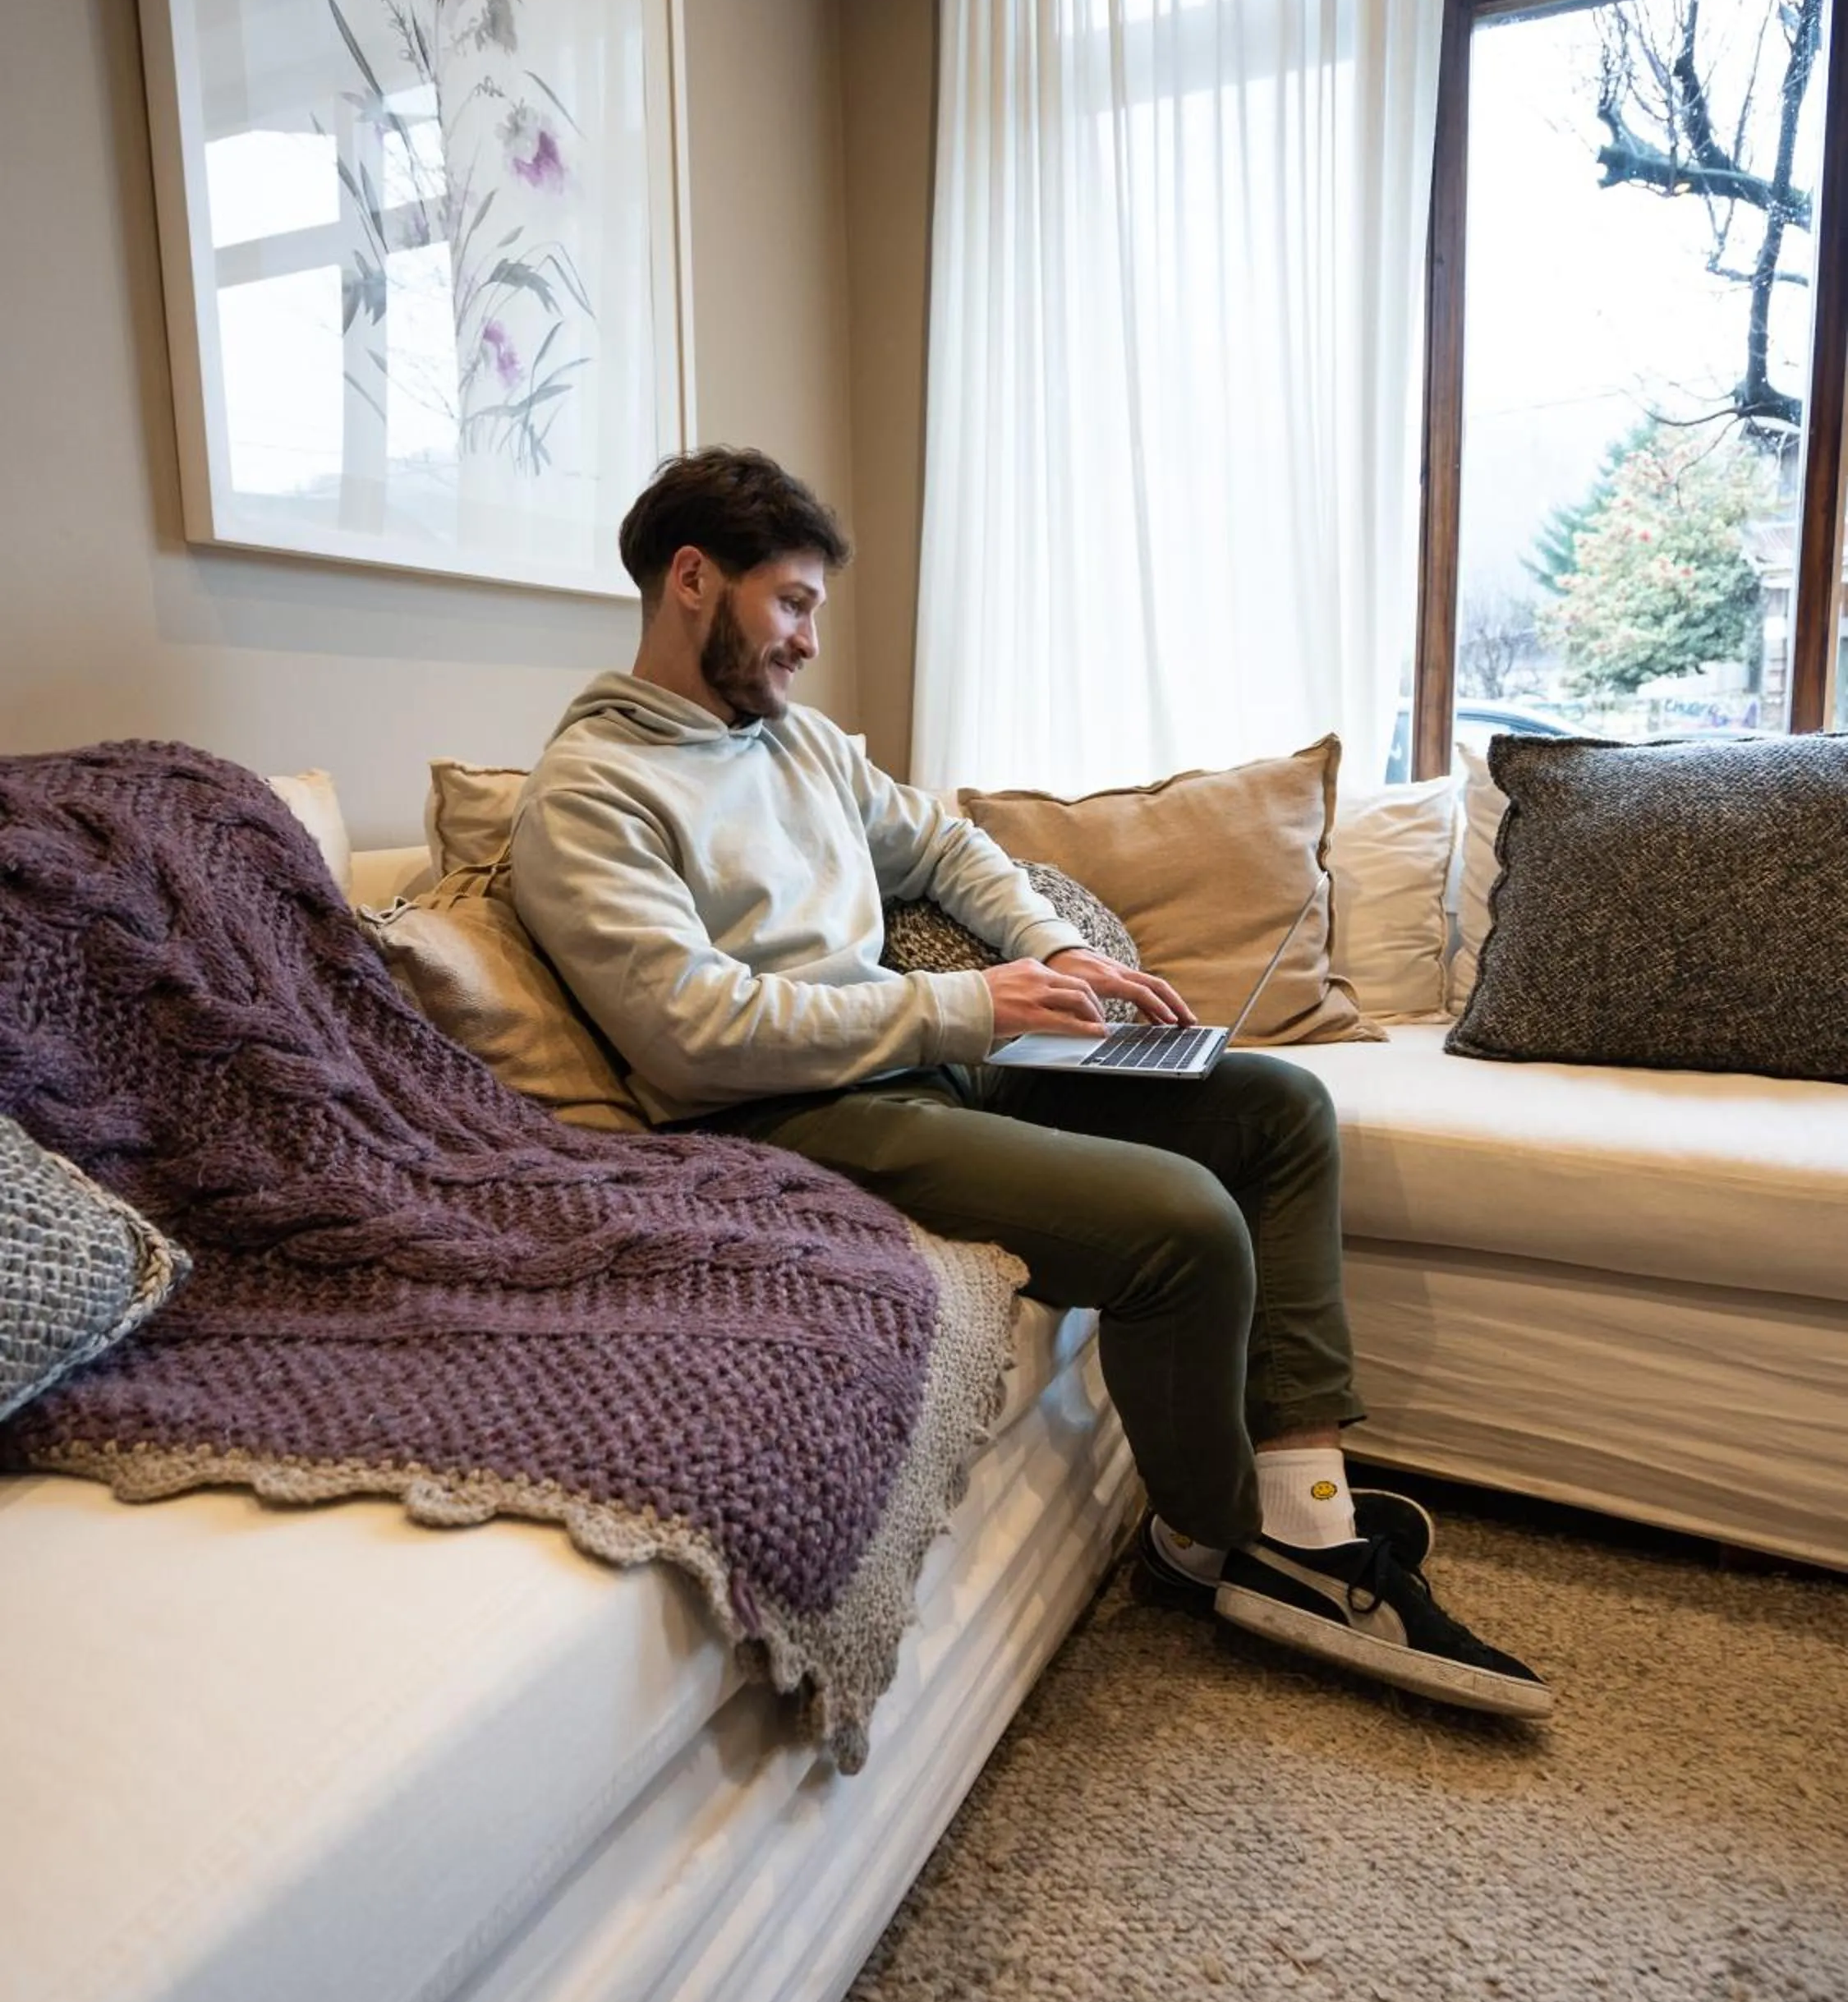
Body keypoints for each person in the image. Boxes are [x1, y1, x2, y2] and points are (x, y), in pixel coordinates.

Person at [510, 447, 1552, 1721]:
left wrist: (1049, 948)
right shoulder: (587, 795)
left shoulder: (801, 747)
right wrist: (967, 1005)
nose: (804, 641)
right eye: (789, 603)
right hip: (785, 1119)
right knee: (1180, 1228)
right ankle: (1218, 1542)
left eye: (811, 612)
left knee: (1278, 1109)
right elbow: (690, 1033)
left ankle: (1303, 1510)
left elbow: (947, 845)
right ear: (690, 580)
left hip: (931, 1060)